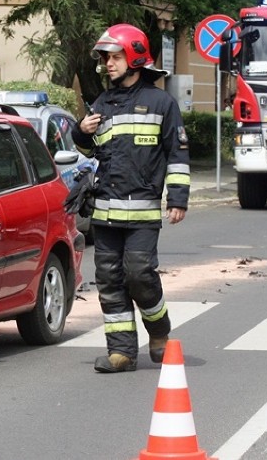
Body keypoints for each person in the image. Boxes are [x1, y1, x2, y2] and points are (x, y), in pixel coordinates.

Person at [72, 23, 191, 373]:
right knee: (109, 281)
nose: (108, 64)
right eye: (106, 58)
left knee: (139, 274)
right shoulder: (102, 102)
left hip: (141, 212)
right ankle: (121, 352)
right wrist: (82, 132)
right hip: (105, 213)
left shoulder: (161, 102)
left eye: (115, 56)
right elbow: (92, 151)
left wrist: (178, 198)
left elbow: (177, 153)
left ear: (135, 57)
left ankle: (159, 330)